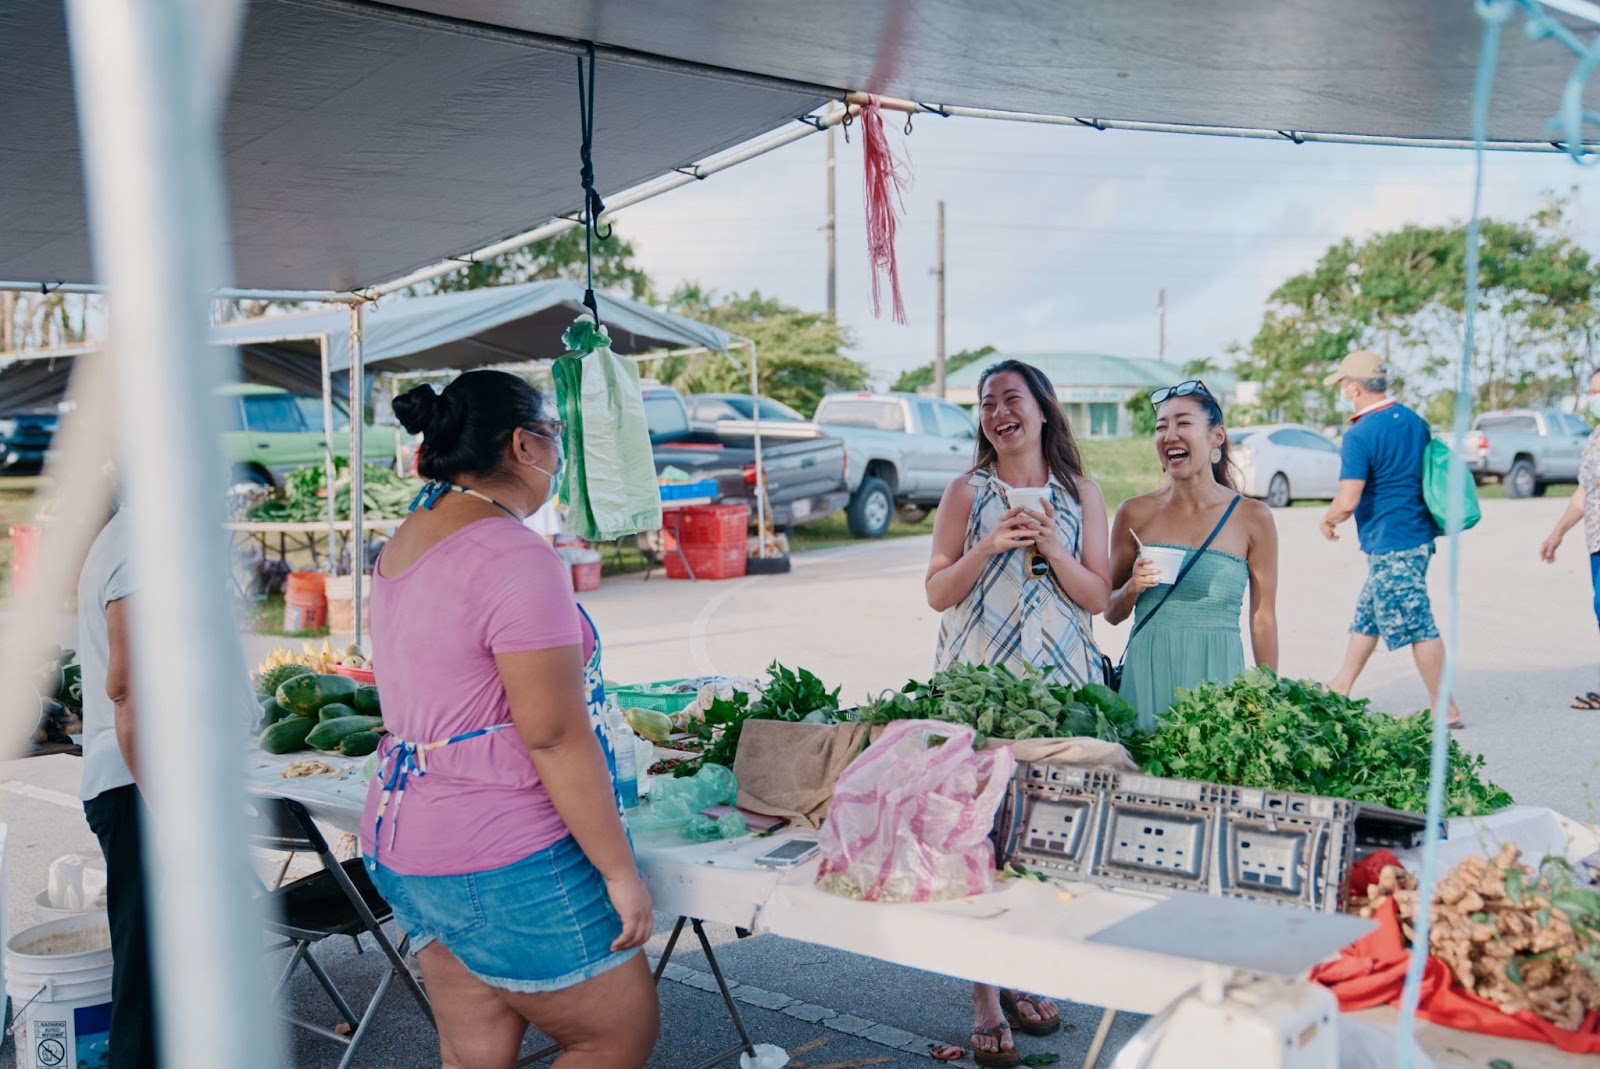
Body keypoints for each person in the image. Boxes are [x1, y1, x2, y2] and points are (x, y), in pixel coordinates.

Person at [362, 370, 659, 1068]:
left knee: (474, 1052)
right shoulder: (516, 554)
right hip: (499, 851)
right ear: (524, 445)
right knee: (616, 1034)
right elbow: (553, 734)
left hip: (404, 840)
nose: (558, 454)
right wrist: (620, 871)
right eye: (554, 437)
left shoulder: (409, 534)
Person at [926, 359, 1111, 1067]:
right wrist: (989, 543)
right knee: (980, 841)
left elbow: (1097, 596)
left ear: (1041, 411)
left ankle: (1031, 970)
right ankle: (984, 996)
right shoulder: (965, 490)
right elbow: (939, 591)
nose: (998, 411)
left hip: (1062, 689)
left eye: (1011, 399)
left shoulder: (1081, 491)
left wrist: (1054, 548)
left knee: (1043, 839)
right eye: (986, 403)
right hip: (980, 688)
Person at [1107, 380, 1279, 728]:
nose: (1169, 435)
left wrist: (1267, 696)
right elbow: (1110, 611)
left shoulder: (1252, 517)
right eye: (1161, 427)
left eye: (1183, 423)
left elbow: (1263, 618)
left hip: (1219, 682)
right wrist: (1133, 588)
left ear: (1217, 437)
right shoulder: (1134, 513)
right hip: (1147, 676)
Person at [1320, 351, 1464, 728]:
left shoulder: (1360, 434)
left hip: (1392, 541)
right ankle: (1341, 684)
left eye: (1341, 385)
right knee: (1367, 615)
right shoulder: (1414, 421)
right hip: (1416, 535)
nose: (1342, 391)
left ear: (1353, 387)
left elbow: (1348, 499)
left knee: (1419, 624)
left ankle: (1444, 708)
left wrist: (1329, 520)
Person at [78, 506, 160, 1069]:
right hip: (138, 785)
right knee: (148, 976)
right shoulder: (137, 546)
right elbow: (127, 691)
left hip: (138, 783)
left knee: (158, 970)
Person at [1539, 370, 1600, 708]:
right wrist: (1557, 533)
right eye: (1593, 392)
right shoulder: (1596, 437)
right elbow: (1584, 492)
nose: (1595, 399)